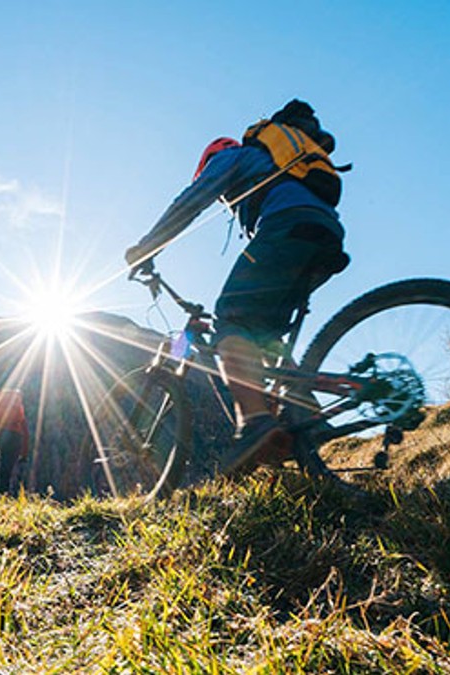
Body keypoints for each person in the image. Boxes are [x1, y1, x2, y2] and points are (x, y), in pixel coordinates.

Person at [125, 99, 349, 475]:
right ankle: (306, 420)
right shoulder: (281, 168)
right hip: (326, 232)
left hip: (288, 225)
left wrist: (147, 247)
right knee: (263, 337)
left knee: (231, 319)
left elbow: (190, 203)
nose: (229, 203)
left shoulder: (232, 157)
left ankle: (256, 425)